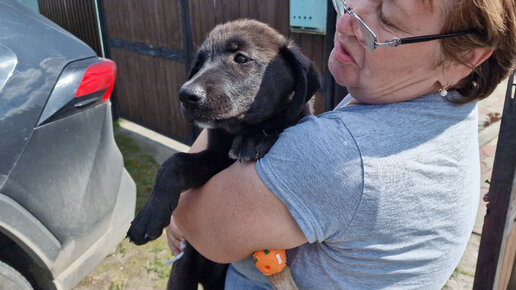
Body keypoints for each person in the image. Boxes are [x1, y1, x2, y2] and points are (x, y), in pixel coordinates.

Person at [167, 0, 516, 288]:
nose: (349, 20)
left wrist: (180, 205)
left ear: (465, 58)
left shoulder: (342, 154)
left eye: (390, 19)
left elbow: (194, 221)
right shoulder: (446, 109)